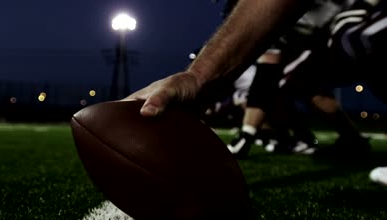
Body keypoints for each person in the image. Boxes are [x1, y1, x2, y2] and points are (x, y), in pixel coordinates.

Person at [125, 0, 386, 179]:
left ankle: (295, 137)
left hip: (365, 12)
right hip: (327, 39)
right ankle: (352, 140)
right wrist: (196, 78)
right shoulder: (273, 25)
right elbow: (266, 80)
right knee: (296, 80)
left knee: (356, 37)